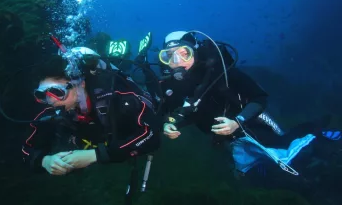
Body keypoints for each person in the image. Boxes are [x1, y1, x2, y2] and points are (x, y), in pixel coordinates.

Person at [157, 30, 336, 176]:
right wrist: (171, 125)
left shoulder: (224, 73)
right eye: (169, 56)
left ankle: (319, 130)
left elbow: (260, 98)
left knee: (287, 147)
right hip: (230, 140)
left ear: (195, 52)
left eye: (184, 54)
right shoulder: (177, 87)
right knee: (262, 173)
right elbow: (191, 112)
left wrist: (237, 122)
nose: (177, 62)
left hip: (255, 123)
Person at [21, 46, 161, 175]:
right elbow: (26, 149)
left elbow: (153, 134)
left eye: (57, 93)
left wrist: (96, 155)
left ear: (80, 85)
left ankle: (141, 58)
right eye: (42, 95)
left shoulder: (120, 98)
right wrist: (45, 161)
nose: (51, 102)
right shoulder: (52, 110)